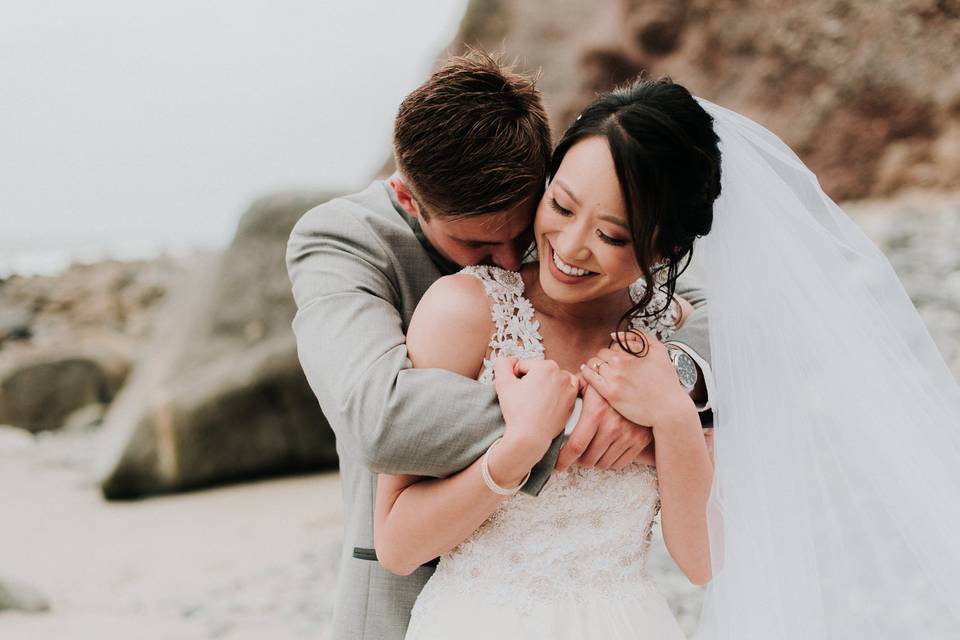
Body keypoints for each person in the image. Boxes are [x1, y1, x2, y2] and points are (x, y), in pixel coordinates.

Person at [381, 77, 960, 639]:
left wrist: (675, 416)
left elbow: (702, 560)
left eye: (611, 235)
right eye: (560, 204)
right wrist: (519, 450)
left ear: (669, 247)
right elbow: (398, 544)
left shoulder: (674, 337)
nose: (570, 245)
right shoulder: (465, 311)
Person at [286, 53, 714, 640]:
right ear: (412, 201)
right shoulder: (346, 243)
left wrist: (672, 398)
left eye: (528, 223)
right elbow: (378, 418)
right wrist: (574, 415)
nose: (523, 260)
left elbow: (700, 309)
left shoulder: (607, 263)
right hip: (424, 600)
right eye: (482, 243)